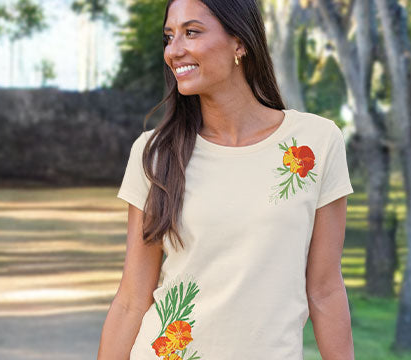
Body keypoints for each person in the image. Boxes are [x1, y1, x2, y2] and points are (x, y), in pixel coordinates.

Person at [94, 0, 356, 358]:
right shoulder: (154, 153)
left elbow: (325, 289)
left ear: (240, 42)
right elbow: (131, 299)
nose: (175, 50)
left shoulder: (316, 143)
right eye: (169, 37)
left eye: (192, 32)